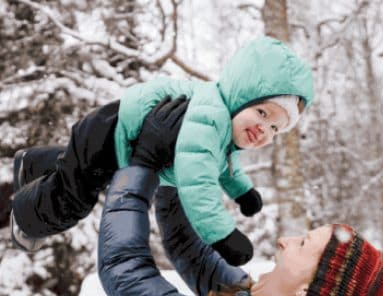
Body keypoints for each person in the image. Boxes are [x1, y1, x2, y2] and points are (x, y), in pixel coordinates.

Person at [10, 36, 314, 266]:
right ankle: (24, 217)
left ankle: (31, 164)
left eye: (276, 128)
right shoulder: (211, 117)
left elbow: (226, 166)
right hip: (109, 136)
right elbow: (199, 184)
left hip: (113, 137)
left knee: (79, 166)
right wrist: (222, 235)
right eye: (262, 114)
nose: (265, 130)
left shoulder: (227, 130)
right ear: (240, 97)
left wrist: (242, 192)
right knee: (73, 198)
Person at [97, 123, 383, 296]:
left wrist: (139, 167)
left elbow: (126, 275)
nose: (284, 241)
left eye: (302, 244)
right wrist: (180, 168)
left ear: (307, 291)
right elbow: (188, 249)